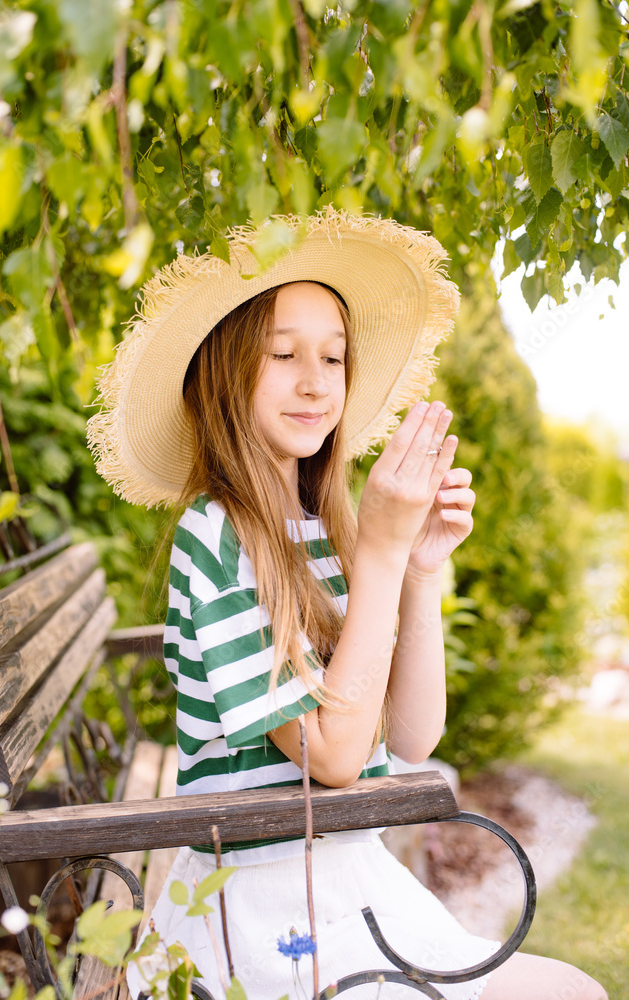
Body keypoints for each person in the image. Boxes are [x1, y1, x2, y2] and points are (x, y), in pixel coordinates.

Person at [88, 210, 606, 1000]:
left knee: (572, 986)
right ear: (228, 372)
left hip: (339, 877)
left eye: (333, 357)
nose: (316, 381)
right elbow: (332, 759)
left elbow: (408, 734)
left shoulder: (319, 528)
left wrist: (419, 569)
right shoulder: (215, 534)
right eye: (284, 355)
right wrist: (384, 552)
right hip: (260, 911)